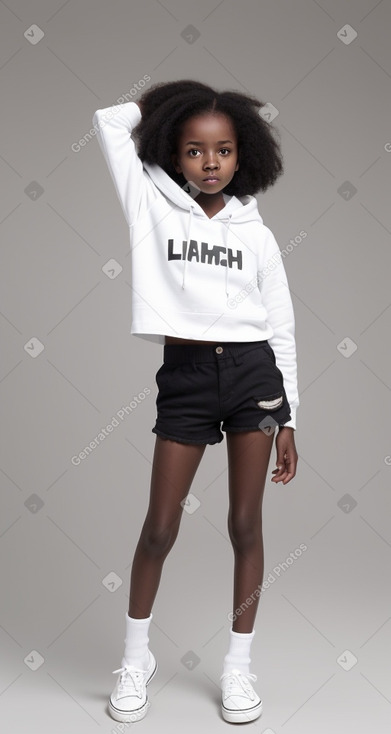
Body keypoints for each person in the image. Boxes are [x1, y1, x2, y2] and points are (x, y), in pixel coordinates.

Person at [92, 79, 299, 725]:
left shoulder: (257, 235)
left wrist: (289, 416)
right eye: (192, 149)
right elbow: (108, 119)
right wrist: (181, 96)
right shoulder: (148, 204)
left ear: (245, 156)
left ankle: (238, 670)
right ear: (170, 154)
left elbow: (282, 328)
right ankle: (135, 660)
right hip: (183, 377)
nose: (210, 162)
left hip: (252, 376)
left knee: (245, 525)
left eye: (223, 149)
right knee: (159, 528)